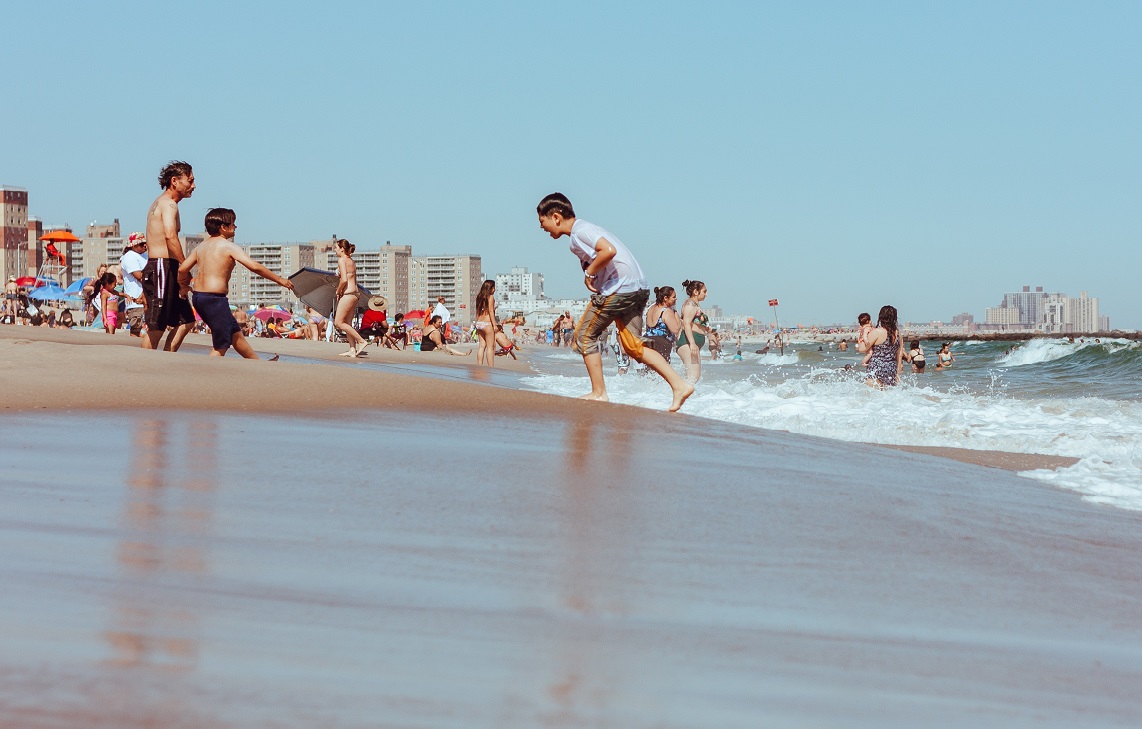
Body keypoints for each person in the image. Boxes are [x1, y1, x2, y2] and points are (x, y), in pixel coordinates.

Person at [536, 192, 693, 411]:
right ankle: (679, 384)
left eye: (542, 221)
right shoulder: (584, 232)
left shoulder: (580, 231)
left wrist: (590, 273)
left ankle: (599, 393)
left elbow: (608, 251)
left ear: (556, 216)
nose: (542, 227)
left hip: (621, 290)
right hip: (638, 288)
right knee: (632, 346)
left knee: (583, 336)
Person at [177, 208, 294, 359]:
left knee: (235, 334)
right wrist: (280, 280)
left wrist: (184, 286)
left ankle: (257, 363)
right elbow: (254, 266)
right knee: (222, 343)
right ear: (223, 227)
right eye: (233, 224)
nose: (235, 227)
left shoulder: (201, 247)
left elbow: (183, 269)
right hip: (214, 300)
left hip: (199, 298)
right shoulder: (227, 246)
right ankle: (206, 373)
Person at [143, 161, 197, 351]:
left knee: (186, 320)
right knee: (157, 323)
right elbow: (169, 235)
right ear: (174, 181)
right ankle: (143, 366)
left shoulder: (166, 204)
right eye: (189, 181)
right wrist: (185, 265)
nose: (194, 186)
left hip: (167, 267)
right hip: (161, 266)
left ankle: (167, 358)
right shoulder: (168, 204)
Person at [333, 239, 369, 357]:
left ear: (342, 249)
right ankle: (352, 349)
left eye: (336, 248)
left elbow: (344, 279)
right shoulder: (351, 261)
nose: (335, 250)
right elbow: (348, 277)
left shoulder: (342, 260)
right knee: (347, 322)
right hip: (355, 294)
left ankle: (361, 341)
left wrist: (338, 291)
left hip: (348, 294)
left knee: (338, 322)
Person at [858, 305, 904, 387]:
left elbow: (861, 348)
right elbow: (899, 354)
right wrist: (898, 371)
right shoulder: (898, 334)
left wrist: (862, 334)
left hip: (876, 368)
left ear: (881, 317)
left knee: (874, 397)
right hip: (891, 369)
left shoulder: (877, 332)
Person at [676, 279, 710, 384]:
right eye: (704, 291)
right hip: (688, 343)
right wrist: (692, 343)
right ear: (696, 292)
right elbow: (686, 323)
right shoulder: (690, 304)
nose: (706, 294)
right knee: (693, 377)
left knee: (694, 377)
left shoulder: (695, 305)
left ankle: (687, 397)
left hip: (692, 343)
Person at [120, 232, 148, 337]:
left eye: (145, 243)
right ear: (134, 245)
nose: (145, 245)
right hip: (135, 302)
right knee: (137, 331)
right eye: (141, 244)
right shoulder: (129, 257)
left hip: (147, 300)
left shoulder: (145, 256)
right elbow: (140, 276)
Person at [644, 285, 681, 362]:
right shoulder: (667, 311)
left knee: (649, 370)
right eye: (674, 297)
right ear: (665, 298)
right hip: (661, 343)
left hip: (647, 341)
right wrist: (675, 311)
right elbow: (676, 329)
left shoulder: (651, 308)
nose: (676, 299)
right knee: (662, 369)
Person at [474, 279, 498, 366]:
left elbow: (477, 311)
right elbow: (491, 311)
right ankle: (491, 367)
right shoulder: (490, 297)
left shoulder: (479, 297)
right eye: (494, 287)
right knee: (490, 347)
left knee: (481, 346)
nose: (494, 289)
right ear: (490, 288)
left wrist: (476, 324)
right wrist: (494, 325)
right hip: (487, 323)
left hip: (479, 323)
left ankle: (479, 365)